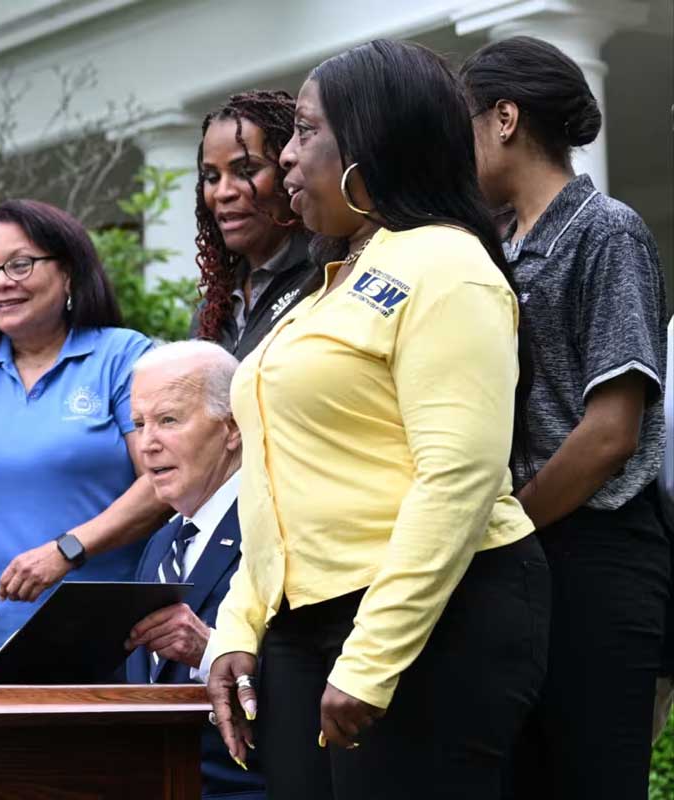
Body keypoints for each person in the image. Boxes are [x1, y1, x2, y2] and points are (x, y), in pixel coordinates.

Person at [205, 40, 550, 800]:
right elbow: (272, 480)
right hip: (303, 628)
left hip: (432, 618)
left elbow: (456, 476)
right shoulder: (326, 284)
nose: (286, 158)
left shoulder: (447, 265)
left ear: (371, 139)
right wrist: (240, 624)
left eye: (303, 131)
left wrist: (370, 659)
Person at [462, 36, 670, 800]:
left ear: (505, 118)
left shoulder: (606, 230)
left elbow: (612, 432)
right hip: (527, 556)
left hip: (596, 557)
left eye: (464, 127)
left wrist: (504, 529)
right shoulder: (498, 247)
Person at [0, 340, 264, 799]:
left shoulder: (272, 525)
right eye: (139, 424)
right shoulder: (164, 540)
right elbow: (124, 681)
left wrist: (210, 651)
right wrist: (0, 661)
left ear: (232, 429)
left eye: (169, 420)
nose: (148, 444)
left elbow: (312, 675)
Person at [0, 199, 166, 646]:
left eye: (20, 265)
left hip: (109, 634)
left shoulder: (124, 357)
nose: (1, 283)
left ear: (67, 272)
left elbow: (161, 482)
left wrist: (67, 550)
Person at [191, 90, 321, 359]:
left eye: (246, 172)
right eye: (212, 177)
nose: (223, 192)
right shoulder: (212, 311)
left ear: (289, 171)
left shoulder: (328, 278)